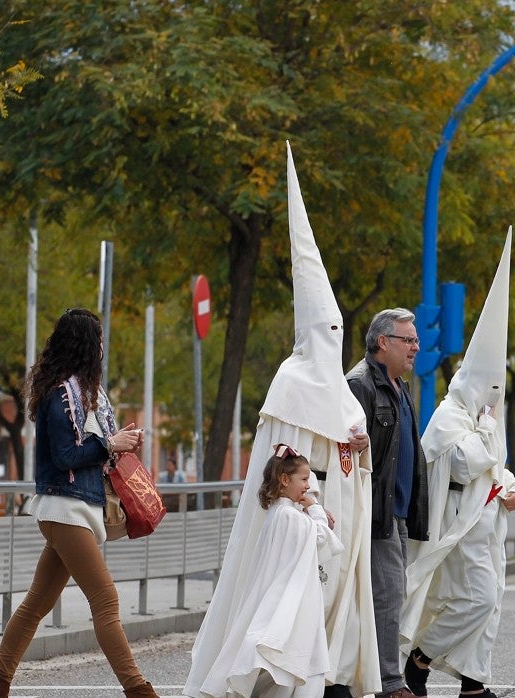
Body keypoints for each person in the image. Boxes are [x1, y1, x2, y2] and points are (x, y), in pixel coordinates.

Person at [187, 144, 378, 698]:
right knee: (298, 601)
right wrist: (308, 493)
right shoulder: (291, 382)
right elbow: (286, 456)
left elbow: (353, 450)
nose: (333, 342)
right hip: (303, 513)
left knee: (336, 600)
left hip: (340, 506)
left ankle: (332, 678)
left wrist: (359, 446)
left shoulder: (341, 390)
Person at [0, 308, 157, 698]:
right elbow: (65, 456)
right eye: (100, 340)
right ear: (88, 345)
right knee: (105, 599)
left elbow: (89, 450)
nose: (104, 347)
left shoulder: (85, 392)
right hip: (64, 507)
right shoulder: (61, 394)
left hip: (74, 508)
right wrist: (108, 444)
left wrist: (117, 441)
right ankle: (139, 691)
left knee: (36, 603)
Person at [399, 230, 515, 698]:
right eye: (487, 384)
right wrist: (490, 452)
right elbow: (469, 464)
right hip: (457, 522)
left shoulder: (485, 418)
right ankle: (420, 658)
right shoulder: (450, 416)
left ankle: (473, 683)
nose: (494, 395)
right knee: (476, 598)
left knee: (488, 602)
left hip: (488, 520)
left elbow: (499, 469)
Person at [193, 444, 343, 697]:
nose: (308, 486)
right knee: (299, 658)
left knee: (292, 662)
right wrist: (315, 508)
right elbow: (320, 537)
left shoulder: (280, 514)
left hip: (289, 594)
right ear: (285, 480)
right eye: (304, 479)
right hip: (293, 599)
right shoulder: (290, 516)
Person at [347, 307, 430, 698]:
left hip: (396, 511)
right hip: (375, 511)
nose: (416, 347)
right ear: (384, 342)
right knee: (387, 594)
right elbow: (344, 451)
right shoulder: (360, 384)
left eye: (415, 340)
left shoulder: (400, 388)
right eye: (408, 340)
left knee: (389, 594)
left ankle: (372, 676)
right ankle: (389, 683)